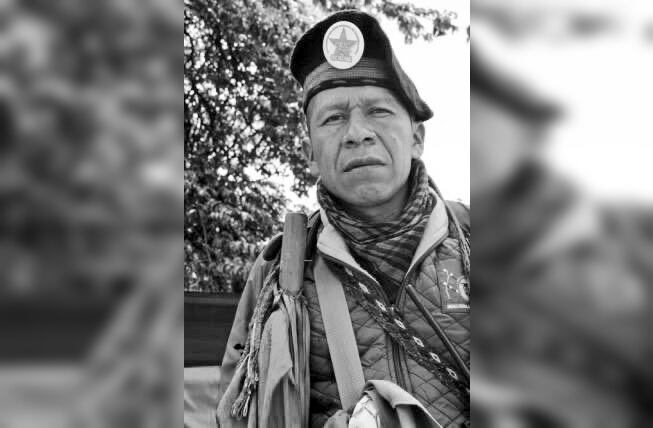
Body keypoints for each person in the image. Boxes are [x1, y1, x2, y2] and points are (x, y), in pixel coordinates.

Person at [217, 10, 470, 428]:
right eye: (333, 118)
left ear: (417, 138)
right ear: (310, 153)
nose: (357, 133)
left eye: (378, 111)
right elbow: (240, 415)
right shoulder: (280, 274)